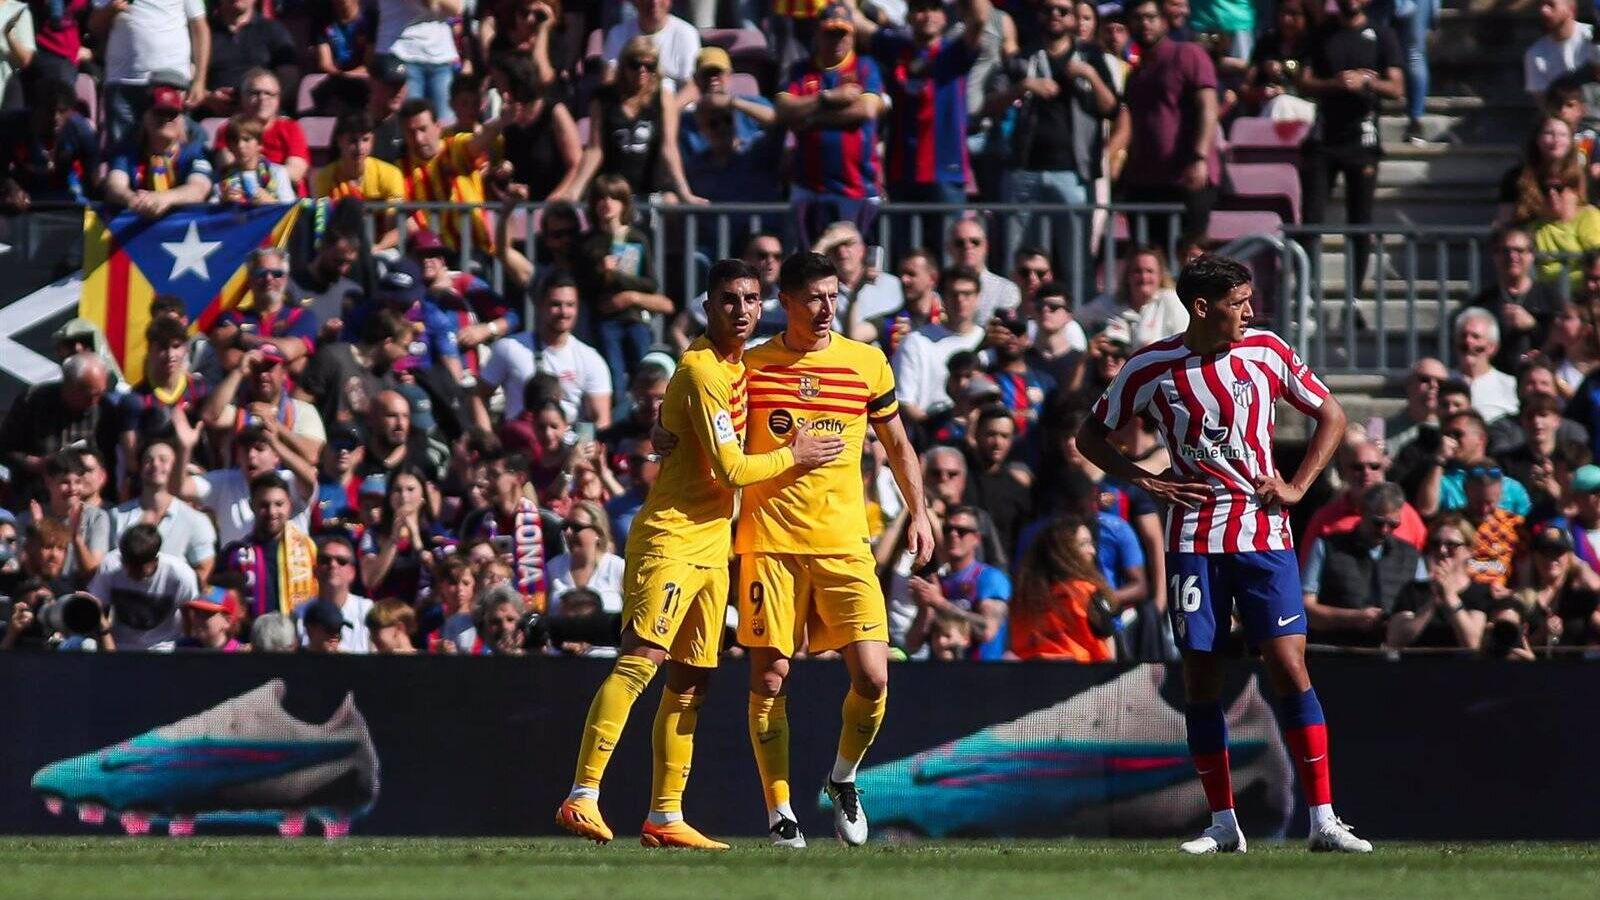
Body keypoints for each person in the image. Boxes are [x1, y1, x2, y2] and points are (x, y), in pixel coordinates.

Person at [1076, 255, 1370, 853]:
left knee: (1288, 664)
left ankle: (1323, 818)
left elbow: (1332, 415)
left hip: (1265, 535)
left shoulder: (1267, 351)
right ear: (1202, 307)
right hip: (1194, 540)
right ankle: (1222, 823)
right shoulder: (1151, 366)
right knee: (1202, 674)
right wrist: (1146, 480)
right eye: (1238, 303)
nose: (1250, 312)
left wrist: (1298, 486)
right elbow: (1089, 436)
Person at [556, 258, 845, 849]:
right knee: (642, 659)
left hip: (713, 545)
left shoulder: (734, 363)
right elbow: (732, 468)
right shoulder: (701, 369)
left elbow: (677, 424)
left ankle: (666, 816)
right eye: (729, 300)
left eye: (751, 299)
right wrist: (796, 455)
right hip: (671, 537)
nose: (741, 310)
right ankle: (581, 794)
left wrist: (664, 428)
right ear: (708, 306)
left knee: (691, 680)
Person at [733, 252, 933, 847]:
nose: (826, 308)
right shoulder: (752, 367)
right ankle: (780, 811)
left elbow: (897, 445)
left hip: (845, 544)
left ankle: (842, 778)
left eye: (832, 295)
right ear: (787, 303)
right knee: (771, 677)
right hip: (770, 543)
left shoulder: (866, 362)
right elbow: (715, 436)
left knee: (873, 678)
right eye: (813, 298)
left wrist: (920, 512)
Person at [1001, 0, 1118, 267]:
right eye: (1048, 9)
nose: (1055, 14)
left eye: (1063, 10)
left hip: (1074, 172)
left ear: (1073, 17)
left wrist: (1090, 75)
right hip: (1025, 169)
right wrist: (1023, 87)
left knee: (1077, 258)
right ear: (1038, 14)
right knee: (1020, 257)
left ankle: (1078, 297)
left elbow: (1112, 108)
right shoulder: (1024, 57)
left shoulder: (1090, 56)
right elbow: (989, 106)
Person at [1297, 0, 1402, 287]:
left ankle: (1354, 295)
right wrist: (1336, 83)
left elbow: (1397, 87)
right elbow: (1303, 81)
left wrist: (1366, 83)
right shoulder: (1321, 34)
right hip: (1324, 139)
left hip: (1362, 141)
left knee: (1360, 222)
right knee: (1311, 219)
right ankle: (1308, 291)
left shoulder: (1382, 35)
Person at [777, 4, 888, 245]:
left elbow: (866, 109)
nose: (836, 40)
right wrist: (827, 98)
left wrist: (811, 118)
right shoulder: (800, 70)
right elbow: (783, 109)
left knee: (854, 260)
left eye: (842, 34)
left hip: (858, 188)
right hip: (809, 188)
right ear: (817, 34)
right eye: (829, 33)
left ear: (852, 35)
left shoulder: (865, 67)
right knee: (810, 259)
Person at [1119, 0, 1221, 245]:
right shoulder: (1135, 74)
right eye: (1137, 18)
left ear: (1164, 21)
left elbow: (1208, 107)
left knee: (1190, 256)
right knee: (1148, 257)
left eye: (1151, 17)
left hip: (1187, 178)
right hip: (1145, 182)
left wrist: (1199, 158)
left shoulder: (1187, 53)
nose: (1145, 24)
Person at [562, 36, 703, 205]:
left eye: (649, 66)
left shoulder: (663, 98)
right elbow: (595, 149)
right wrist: (574, 190)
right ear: (624, 65)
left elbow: (669, 148)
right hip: (613, 190)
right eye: (635, 64)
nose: (642, 70)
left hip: (650, 188)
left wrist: (684, 192)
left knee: (670, 202)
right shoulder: (603, 98)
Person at [575, 176, 675, 392]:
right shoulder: (587, 242)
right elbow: (583, 285)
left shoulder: (637, 238)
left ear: (624, 204)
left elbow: (650, 283)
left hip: (635, 317)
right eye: (601, 198)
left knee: (643, 371)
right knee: (614, 374)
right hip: (605, 319)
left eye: (614, 198)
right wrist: (600, 272)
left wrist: (618, 277)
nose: (607, 203)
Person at [1299, 482, 1426, 647]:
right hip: (1336, 650)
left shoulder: (1411, 556)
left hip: (1394, 654)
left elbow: (1423, 612)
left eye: (1393, 524)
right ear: (1362, 511)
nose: (1385, 530)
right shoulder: (1328, 547)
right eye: (1378, 522)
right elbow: (1305, 609)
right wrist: (1353, 618)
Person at [476, 274, 612, 426]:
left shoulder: (590, 359)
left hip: (568, 437)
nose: (563, 312)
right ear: (540, 306)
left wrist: (590, 440)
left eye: (570, 305)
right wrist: (486, 434)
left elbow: (602, 419)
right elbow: (478, 396)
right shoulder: (509, 348)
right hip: (520, 436)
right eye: (555, 304)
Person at [0, 353, 126, 503]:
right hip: (35, 498)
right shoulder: (33, 401)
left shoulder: (105, 410)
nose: (95, 401)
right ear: (69, 386)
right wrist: (33, 463)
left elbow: (112, 462)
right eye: (90, 394)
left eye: (101, 393)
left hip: (87, 503)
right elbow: (4, 447)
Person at [91, 0, 208, 150]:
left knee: (172, 148)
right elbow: (94, 26)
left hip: (171, 79)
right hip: (123, 80)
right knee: (121, 150)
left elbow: (199, 27)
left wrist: (200, 80)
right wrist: (110, 10)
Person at [904, 505, 1011, 660]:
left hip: (984, 670)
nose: (953, 535)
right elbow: (912, 644)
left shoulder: (990, 578)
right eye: (948, 530)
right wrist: (924, 609)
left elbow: (988, 630)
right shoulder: (937, 581)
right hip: (942, 671)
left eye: (961, 531)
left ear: (976, 538)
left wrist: (939, 602)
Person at [1009, 514, 1117, 661]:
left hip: (1031, 671)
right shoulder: (1086, 592)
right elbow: (1106, 647)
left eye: (1091, 543)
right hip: (1082, 672)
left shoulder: (1022, 598)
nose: (1092, 550)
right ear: (1064, 552)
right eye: (1084, 544)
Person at [110, 438, 217, 584]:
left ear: (176, 467)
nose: (155, 464)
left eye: (163, 460)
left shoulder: (196, 520)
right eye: (148, 460)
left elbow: (204, 569)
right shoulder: (117, 515)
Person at [101, 82, 214, 219]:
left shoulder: (196, 152)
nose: (166, 119)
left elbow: (199, 189)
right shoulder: (126, 152)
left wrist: (163, 199)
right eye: (159, 112)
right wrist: (133, 199)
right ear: (144, 118)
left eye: (172, 113)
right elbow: (114, 186)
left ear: (182, 120)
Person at [216, 473, 320, 621]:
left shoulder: (310, 549)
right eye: (264, 505)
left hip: (299, 632)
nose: (272, 512)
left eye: (279, 504)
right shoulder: (234, 554)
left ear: (290, 504)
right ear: (252, 506)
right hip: (252, 633)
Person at [1299, 437, 1426, 557]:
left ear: (1384, 469)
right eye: (1358, 467)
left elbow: (1423, 563)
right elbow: (1308, 566)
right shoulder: (1324, 518)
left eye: (1374, 467)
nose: (1366, 472)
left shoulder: (1406, 515)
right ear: (1345, 471)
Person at [1384, 513, 1495, 651]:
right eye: (1435, 544)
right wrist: (1432, 602)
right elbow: (1395, 640)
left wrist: (1449, 596)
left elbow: (1472, 643)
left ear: (1469, 550)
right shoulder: (1413, 590)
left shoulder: (1479, 592)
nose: (1442, 550)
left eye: (1451, 545)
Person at [893, 266, 988, 424]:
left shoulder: (988, 343)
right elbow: (904, 401)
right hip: (931, 431)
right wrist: (935, 430)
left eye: (967, 294)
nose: (960, 300)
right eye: (954, 294)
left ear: (978, 297)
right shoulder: (915, 342)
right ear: (942, 298)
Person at [86, 523, 199, 652]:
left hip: (165, 647)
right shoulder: (110, 566)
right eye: (126, 564)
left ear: (154, 560)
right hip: (120, 646)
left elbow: (189, 618)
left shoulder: (180, 575)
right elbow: (100, 609)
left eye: (137, 569)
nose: (129, 573)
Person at [1465, 226, 1564, 371]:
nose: (1512, 256)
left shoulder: (1550, 299)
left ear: (1531, 255)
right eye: (1505, 251)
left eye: (1519, 250)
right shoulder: (1483, 302)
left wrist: (1533, 326)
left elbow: (1562, 341)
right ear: (1496, 256)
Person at [0, 78, 99, 209]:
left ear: (70, 112)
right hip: (21, 197)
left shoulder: (81, 132)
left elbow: (93, 188)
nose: (55, 118)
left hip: (63, 197)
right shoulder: (10, 125)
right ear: (35, 108)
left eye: (61, 111)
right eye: (49, 111)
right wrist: (9, 186)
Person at [1079, 245, 1190, 348]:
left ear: (1160, 276)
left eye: (1150, 271)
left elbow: (1185, 342)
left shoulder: (1171, 300)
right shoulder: (1111, 303)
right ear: (1128, 275)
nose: (1144, 277)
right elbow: (1079, 318)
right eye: (1137, 271)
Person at [376, 0, 462, 122]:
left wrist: (437, 4)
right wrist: (438, 4)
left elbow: (455, 9)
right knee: (412, 121)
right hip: (401, 53)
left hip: (441, 57)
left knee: (446, 122)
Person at [601, 0, 701, 97]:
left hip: (676, 103)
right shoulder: (617, 34)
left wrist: (670, 107)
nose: (654, 2)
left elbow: (692, 87)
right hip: (630, 102)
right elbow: (609, 79)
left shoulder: (687, 33)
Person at [296, 533, 373, 653]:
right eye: (325, 560)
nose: (332, 564)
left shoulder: (367, 610)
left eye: (341, 561)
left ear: (352, 573)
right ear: (315, 570)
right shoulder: (300, 613)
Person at [1529, 159, 1600, 290]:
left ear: (1573, 190)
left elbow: (1597, 263)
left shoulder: (1589, 217)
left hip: (1586, 294)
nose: (1552, 193)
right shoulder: (1535, 227)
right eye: (1545, 189)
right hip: (1546, 297)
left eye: (1558, 188)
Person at [547, 500, 626, 615]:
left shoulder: (618, 568)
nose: (568, 532)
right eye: (565, 526)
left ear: (598, 533)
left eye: (576, 527)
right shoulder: (552, 567)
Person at [946, 218, 1021, 327]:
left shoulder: (1006, 290)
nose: (967, 246)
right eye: (959, 243)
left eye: (975, 242)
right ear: (948, 248)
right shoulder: (939, 290)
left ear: (985, 247)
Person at [1450, 308, 1520, 424]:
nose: (1468, 341)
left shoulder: (1510, 386)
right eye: (1463, 335)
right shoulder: (1444, 381)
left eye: (1475, 336)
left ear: (1492, 347)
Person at [214, 115, 297, 204]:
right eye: (235, 141)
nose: (240, 146)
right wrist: (224, 201)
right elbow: (210, 208)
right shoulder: (223, 176)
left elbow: (290, 208)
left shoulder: (277, 172)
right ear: (229, 146)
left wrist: (271, 202)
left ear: (260, 144)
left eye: (247, 140)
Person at [1525, 0, 1591, 100]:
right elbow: (1544, 103)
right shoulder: (1535, 54)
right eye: (1541, 5)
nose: (1544, 10)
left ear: (1571, 9)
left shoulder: (1593, 38)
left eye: (1551, 5)